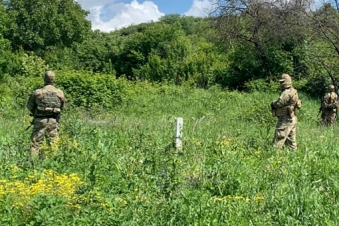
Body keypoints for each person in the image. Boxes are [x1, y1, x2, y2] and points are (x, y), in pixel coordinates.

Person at [26, 71, 66, 160]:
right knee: (53, 143)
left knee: (36, 143)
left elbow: (29, 106)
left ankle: (33, 164)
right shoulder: (59, 92)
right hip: (53, 121)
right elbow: (63, 107)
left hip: (39, 121)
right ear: (54, 79)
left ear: (44, 79)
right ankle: (53, 162)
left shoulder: (38, 92)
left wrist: (37, 112)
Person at [270, 73, 301, 150]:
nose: (280, 84)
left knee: (279, 138)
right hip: (292, 118)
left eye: (282, 82)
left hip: (285, 118)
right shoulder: (294, 91)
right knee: (291, 141)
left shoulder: (287, 92)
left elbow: (279, 103)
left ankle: (274, 155)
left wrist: (273, 103)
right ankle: (294, 156)